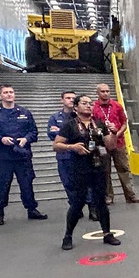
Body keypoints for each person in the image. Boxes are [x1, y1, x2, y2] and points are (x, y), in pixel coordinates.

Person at [53, 94, 121, 250]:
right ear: (76, 107)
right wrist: (72, 147)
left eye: (90, 103)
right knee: (78, 202)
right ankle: (68, 235)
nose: (89, 106)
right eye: (84, 103)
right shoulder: (69, 125)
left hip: (98, 166)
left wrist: (114, 133)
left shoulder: (98, 124)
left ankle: (107, 233)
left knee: (101, 202)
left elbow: (110, 146)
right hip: (79, 168)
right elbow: (56, 145)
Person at [0, 84, 47, 226]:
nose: (9, 94)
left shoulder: (25, 112)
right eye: (5, 92)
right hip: (2, 157)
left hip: (22, 156)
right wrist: (0, 139)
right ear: (0, 96)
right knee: (1, 185)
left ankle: (31, 209)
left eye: (11, 92)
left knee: (27, 184)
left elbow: (34, 132)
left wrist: (26, 139)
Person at [48, 90, 98, 222]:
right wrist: (68, 138)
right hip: (65, 156)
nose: (70, 100)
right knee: (68, 183)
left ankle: (92, 208)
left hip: (83, 156)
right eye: (68, 98)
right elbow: (53, 136)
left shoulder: (86, 118)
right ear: (62, 100)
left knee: (88, 184)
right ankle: (76, 207)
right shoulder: (55, 117)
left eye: (73, 98)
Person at [94, 82, 139, 205]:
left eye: (107, 91)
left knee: (124, 169)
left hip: (119, 143)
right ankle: (108, 196)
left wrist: (118, 133)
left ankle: (130, 195)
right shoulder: (94, 108)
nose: (105, 94)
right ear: (97, 93)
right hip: (102, 145)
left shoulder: (117, 106)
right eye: (102, 91)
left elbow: (124, 123)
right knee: (105, 171)